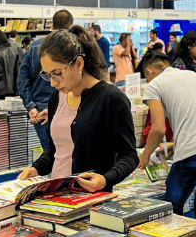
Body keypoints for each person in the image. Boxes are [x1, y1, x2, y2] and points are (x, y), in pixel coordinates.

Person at [17, 27, 139, 192]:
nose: (52, 83)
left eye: (57, 73)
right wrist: (36, 169)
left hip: (90, 199)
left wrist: (105, 179)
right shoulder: (56, 98)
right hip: (57, 196)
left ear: (79, 63)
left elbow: (129, 155)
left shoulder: (111, 99)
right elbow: (55, 150)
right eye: (47, 75)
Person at [138, 52, 196, 222]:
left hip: (193, 154)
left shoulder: (155, 85)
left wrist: (145, 155)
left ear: (149, 71)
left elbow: (158, 129)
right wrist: (176, 146)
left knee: (171, 210)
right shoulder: (193, 76)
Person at [18, 10, 74, 151]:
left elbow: (22, 79)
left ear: (52, 25)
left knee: (51, 155)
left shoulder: (35, 46)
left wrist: (31, 106)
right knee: (68, 155)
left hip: (41, 108)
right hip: (70, 106)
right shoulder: (74, 46)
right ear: (71, 25)